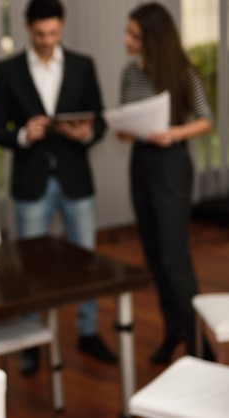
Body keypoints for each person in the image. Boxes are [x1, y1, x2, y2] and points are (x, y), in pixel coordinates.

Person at [0, 0, 115, 375]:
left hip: (76, 177)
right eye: (41, 34)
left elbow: (100, 121)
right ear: (28, 27)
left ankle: (88, 332)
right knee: (31, 264)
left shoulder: (82, 65)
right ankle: (31, 340)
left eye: (54, 33)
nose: (47, 40)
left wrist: (88, 133)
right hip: (31, 180)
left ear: (62, 27)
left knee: (87, 260)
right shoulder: (7, 70)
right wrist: (23, 135)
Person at [118, 2, 214, 364]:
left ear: (154, 39)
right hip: (140, 163)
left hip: (172, 164)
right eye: (128, 33)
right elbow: (125, 125)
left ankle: (197, 344)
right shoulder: (130, 73)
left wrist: (172, 133)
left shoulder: (182, 73)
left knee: (174, 257)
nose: (127, 40)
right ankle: (173, 329)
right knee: (154, 256)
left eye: (134, 35)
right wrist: (127, 128)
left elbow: (206, 119)